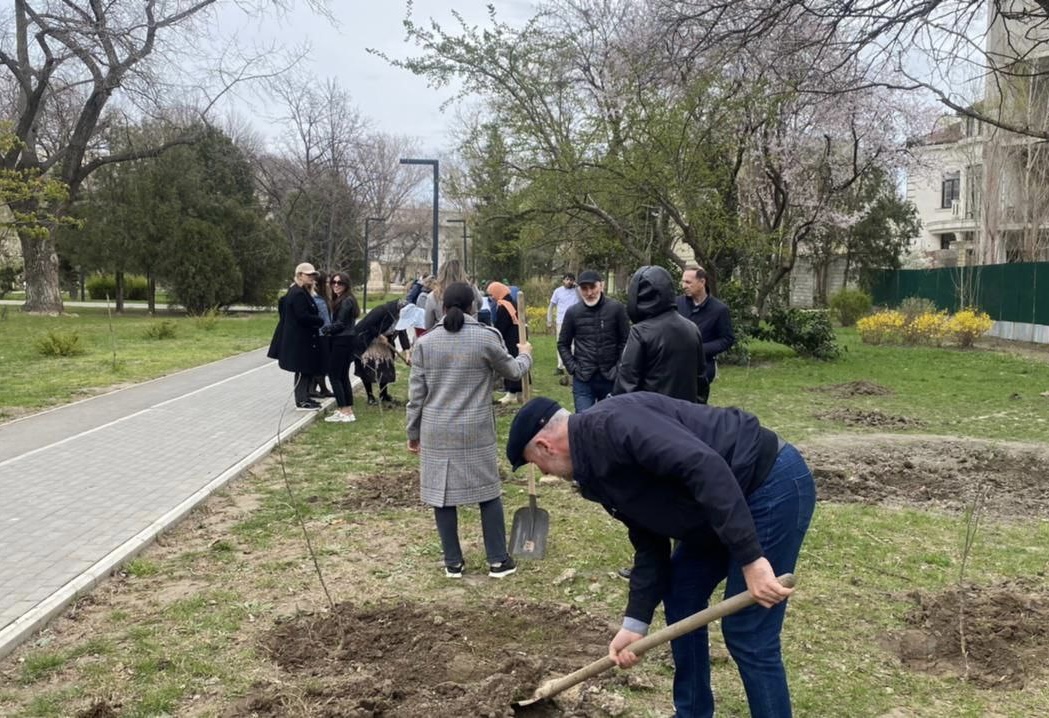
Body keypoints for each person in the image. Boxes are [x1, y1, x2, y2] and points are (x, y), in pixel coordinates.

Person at [506, 392, 815, 718]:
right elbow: (649, 539)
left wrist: (751, 559)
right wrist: (634, 623)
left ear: (544, 446)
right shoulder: (594, 474)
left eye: (534, 463)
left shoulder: (618, 425)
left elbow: (705, 466)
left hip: (766, 484)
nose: (543, 473)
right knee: (681, 593)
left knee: (749, 633)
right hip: (712, 507)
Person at [406, 282, 534, 579]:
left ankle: (453, 562)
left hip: (436, 431)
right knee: (488, 493)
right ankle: (498, 561)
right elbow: (513, 371)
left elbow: (416, 396)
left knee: (442, 495)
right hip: (475, 428)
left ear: (442, 306)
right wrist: (526, 353)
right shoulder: (486, 337)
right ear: (473, 306)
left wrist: (413, 433)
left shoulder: (425, 343)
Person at [613, 265, 707, 403]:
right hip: (685, 415)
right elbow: (701, 382)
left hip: (652, 417)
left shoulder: (640, 332)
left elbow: (627, 385)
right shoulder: (692, 328)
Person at [556, 270, 630, 412]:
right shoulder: (573, 312)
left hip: (610, 377)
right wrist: (573, 368)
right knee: (584, 422)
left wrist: (619, 367)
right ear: (579, 290)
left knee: (611, 422)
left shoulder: (616, 309)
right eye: (584, 288)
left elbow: (626, 341)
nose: (589, 293)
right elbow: (563, 344)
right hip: (583, 379)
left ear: (601, 286)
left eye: (592, 287)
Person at [267, 263, 325, 410]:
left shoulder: (301, 291)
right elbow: (302, 316)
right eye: (309, 275)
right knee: (302, 369)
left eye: (313, 275)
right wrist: (319, 320)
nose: (312, 278)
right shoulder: (297, 293)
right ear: (300, 275)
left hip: (303, 338)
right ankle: (302, 400)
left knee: (305, 369)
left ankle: (305, 397)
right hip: (300, 339)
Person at [677, 266, 735, 403]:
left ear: (702, 282)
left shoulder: (719, 310)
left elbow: (727, 339)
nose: (684, 286)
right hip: (675, 367)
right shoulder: (676, 304)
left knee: (697, 409)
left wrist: (701, 349)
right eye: (683, 281)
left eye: (688, 282)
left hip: (701, 369)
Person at [354, 298, 412, 406]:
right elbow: (367, 324)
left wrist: (408, 353)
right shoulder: (381, 310)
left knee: (386, 367)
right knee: (368, 367)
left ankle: (383, 395)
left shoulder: (401, 318)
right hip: (367, 341)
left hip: (384, 343)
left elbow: (403, 335)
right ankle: (370, 396)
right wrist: (379, 335)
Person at [324, 271, 360, 423]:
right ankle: (347, 410)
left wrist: (325, 329)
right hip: (346, 340)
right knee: (343, 376)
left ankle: (343, 410)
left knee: (334, 376)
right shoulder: (345, 300)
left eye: (340, 283)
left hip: (341, 340)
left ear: (346, 285)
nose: (336, 285)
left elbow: (340, 324)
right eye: (333, 282)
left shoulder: (346, 301)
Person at [486, 281, 523, 404]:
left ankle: (512, 392)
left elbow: (501, 325)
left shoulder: (504, 305)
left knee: (510, 361)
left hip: (510, 338)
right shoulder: (509, 302)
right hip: (515, 336)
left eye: (492, 294)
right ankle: (517, 392)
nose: (491, 297)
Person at [423, 259, 484, 331]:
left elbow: (428, 325)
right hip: (472, 332)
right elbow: (480, 304)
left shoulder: (433, 296)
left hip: (442, 335)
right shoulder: (472, 290)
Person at [547, 273, 580, 381]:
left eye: (571, 280)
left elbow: (583, 299)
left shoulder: (577, 291)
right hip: (561, 321)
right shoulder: (558, 291)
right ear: (563, 280)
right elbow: (551, 306)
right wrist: (549, 320)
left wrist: (578, 287)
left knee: (574, 344)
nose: (569, 282)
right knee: (561, 343)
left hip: (576, 321)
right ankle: (560, 366)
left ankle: (573, 365)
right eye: (567, 279)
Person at [309, 270, 334, 399]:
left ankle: (314, 388)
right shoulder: (315, 299)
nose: (331, 285)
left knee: (323, 362)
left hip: (326, 334)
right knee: (321, 363)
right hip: (320, 334)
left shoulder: (325, 298)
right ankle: (320, 389)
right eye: (329, 282)